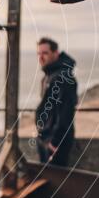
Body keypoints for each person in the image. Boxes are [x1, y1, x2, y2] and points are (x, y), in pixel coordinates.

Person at [35, 37, 77, 167]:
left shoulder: (63, 77)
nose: (41, 57)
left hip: (55, 142)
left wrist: (55, 142)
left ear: (56, 53)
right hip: (46, 138)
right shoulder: (48, 76)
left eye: (45, 53)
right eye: (39, 53)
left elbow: (66, 113)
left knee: (55, 181)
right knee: (47, 178)